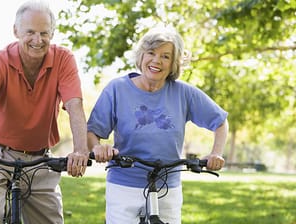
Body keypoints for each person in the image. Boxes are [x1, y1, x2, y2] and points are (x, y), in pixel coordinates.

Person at [0, 1, 89, 223]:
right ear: (16, 31)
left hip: (39, 159)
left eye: (44, 33)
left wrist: (80, 150)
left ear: (52, 33)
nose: (37, 40)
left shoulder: (63, 60)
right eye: (30, 32)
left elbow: (75, 106)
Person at [87, 25, 229, 224]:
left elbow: (220, 122)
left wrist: (216, 153)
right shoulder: (117, 89)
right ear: (141, 56)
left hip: (167, 186)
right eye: (151, 53)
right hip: (124, 185)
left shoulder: (184, 93)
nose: (156, 60)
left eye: (165, 56)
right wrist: (97, 148)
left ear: (174, 63)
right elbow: (92, 131)